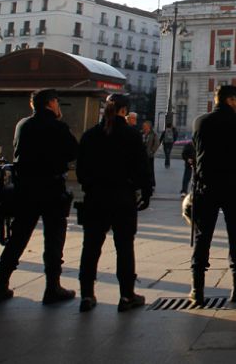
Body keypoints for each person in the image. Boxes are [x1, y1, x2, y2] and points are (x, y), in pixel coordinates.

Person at [0, 88, 79, 306]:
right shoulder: (58, 127)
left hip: (26, 188)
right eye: (57, 102)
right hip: (51, 187)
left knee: (18, 237)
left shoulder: (23, 125)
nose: (59, 106)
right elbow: (73, 152)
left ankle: (0, 285)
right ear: (50, 103)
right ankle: (52, 287)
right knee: (54, 239)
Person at [76, 93, 153, 312]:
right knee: (124, 247)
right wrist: (145, 192)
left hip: (95, 197)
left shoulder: (90, 135)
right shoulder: (131, 135)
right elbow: (142, 168)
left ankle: (87, 295)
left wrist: (91, 185)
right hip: (122, 197)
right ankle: (127, 296)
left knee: (90, 247)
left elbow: (81, 170)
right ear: (124, 110)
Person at [190, 85, 236, 304]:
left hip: (206, 187)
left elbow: (195, 150)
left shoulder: (200, 121)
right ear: (229, 100)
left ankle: (196, 289)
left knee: (202, 237)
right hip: (233, 186)